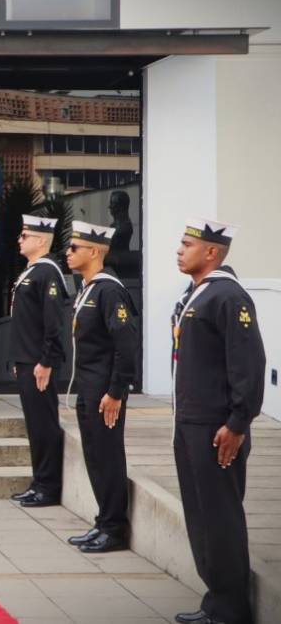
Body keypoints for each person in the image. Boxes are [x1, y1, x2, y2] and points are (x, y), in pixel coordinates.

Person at [171, 218, 265, 624]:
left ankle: (230, 609)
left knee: (220, 517)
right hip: (190, 422)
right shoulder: (197, 295)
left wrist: (238, 423)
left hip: (216, 427)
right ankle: (216, 602)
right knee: (202, 516)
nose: (179, 249)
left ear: (212, 252)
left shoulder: (227, 297)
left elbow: (248, 364)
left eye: (187, 243)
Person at [63, 220, 139, 553]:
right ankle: (103, 521)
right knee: (95, 456)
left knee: (107, 457)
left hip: (104, 390)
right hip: (88, 387)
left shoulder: (109, 290)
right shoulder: (88, 288)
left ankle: (114, 528)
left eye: (74, 248)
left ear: (94, 252)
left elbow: (126, 345)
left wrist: (116, 392)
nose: (67, 253)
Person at [8, 215, 67, 508]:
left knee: (44, 425)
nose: (20, 240)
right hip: (28, 360)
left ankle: (48, 486)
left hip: (39, 364)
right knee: (34, 425)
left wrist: (46, 361)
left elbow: (53, 323)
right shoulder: (32, 271)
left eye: (25, 236)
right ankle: (39, 481)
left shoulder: (47, 273)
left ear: (41, 240)